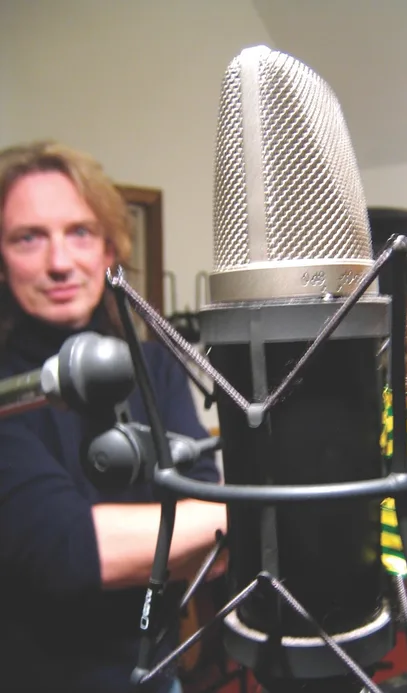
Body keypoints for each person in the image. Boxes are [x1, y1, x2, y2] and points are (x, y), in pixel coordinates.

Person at [0, 141, 227, 693]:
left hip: (158, 671)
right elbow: (65, 551)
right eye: (28, 238)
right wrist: (243, 515)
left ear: (108, 250)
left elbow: (208, 522)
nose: (59, 263)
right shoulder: (9, 391)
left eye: (79, 232)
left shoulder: (154, 365)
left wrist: (211, 524)